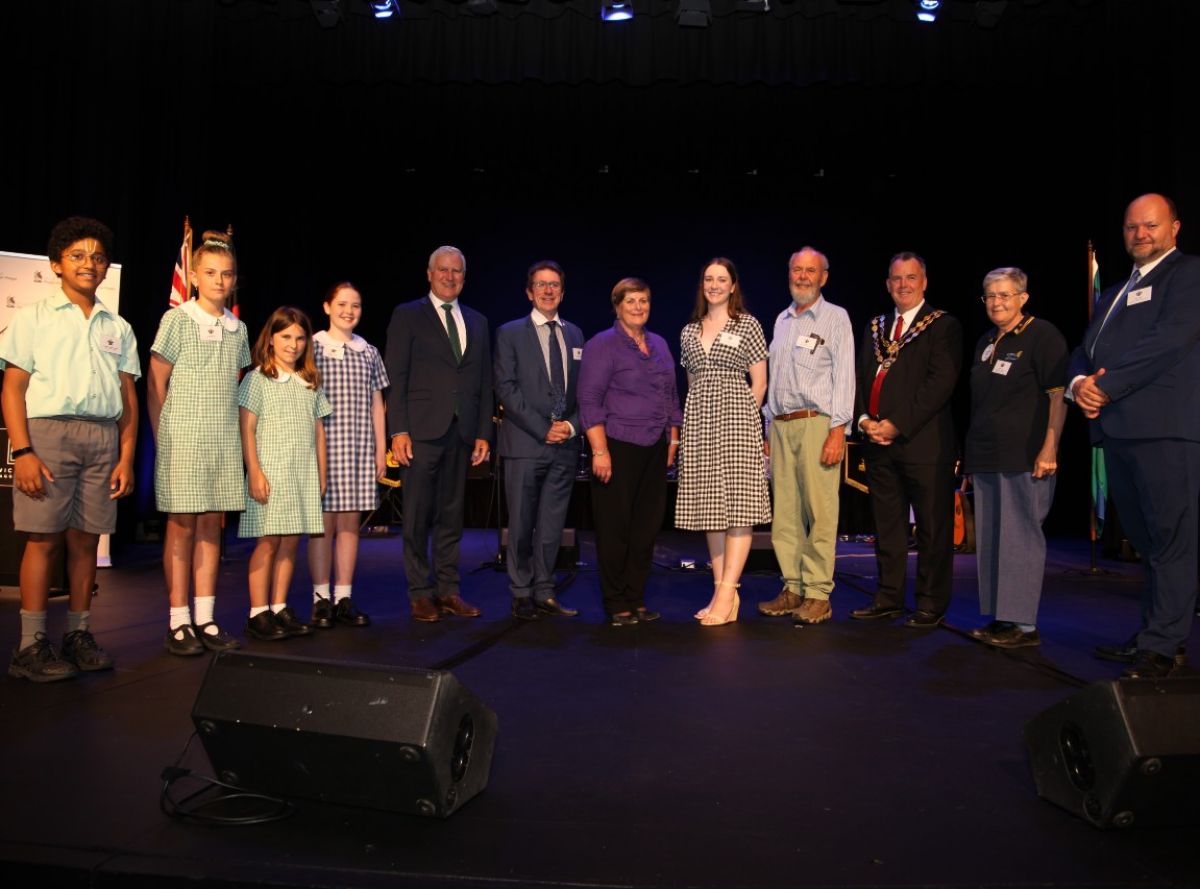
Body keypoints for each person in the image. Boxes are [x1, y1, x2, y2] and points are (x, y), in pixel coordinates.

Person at [1, 217, 139, 682]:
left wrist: (125, 455)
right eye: (77, 256)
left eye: (98, 257)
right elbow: (12, 388)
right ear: (57, 264)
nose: (89, 264)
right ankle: (30, 645)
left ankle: (78, 635)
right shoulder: (34, 318)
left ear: (106, 269)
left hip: (102, 438)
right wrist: (23, 452)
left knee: (85, 541)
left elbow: (128, 401)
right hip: (48, 434)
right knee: (42, 539)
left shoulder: (118, 326)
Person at [1069, 193, 1200, 678]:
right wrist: (1081, 383)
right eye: (1131, 227)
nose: (1140, 234)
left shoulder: (1187, 276)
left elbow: (1166, 343)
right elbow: (1085, 348)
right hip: (1120, 433)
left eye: (1150, 225)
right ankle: (1155, 632)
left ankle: (1163, 645)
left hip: (1166, 431)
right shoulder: (1115, 291)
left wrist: (1105, 385)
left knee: (1172, 540)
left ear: (1174, 228)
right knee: (1147, 541)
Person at [148, 231, 251, 656]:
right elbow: (157, 382)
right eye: (210, 273)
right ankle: (178, 620)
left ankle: (206, 617)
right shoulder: (177, 320)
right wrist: (163, 438)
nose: (219, 281)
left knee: (212, 526)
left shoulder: (238, 327)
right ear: (193, 275)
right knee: (181, 525)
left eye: (226, 274)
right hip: (183, 438)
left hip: (222, 441)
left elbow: (238, 384)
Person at [850, 252, 962, 627]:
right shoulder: (875, 326)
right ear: (887, 284)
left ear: (924, 282)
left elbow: (939, 384)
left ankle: (930, 602)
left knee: (931, 528)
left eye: (911, 278)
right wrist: (864, 418)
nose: (904, 285)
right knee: (887, 527)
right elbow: (860, 377)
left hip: (924, 444)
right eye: (896, 278)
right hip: (877, 443)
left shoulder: (942, 326)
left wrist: (897, 423)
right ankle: (888, 597)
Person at [385, 246, 493, 622]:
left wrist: (483, 433)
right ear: (429, 274)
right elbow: (395, 378)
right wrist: (397, 429)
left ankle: (448, 590)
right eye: (443, 270)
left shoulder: (477, 321)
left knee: (451, 516)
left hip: (461, 433)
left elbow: (483, 382)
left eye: (457, 271)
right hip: (420, 431)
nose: (450, 277)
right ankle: (420, 593)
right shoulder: (407, 315)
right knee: (416, 515)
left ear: (464, 277)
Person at [964, 268, 1067, 648]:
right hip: (987, 455)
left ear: (1023, 298)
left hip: (1026, 455)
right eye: (990, 296)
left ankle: (1023, 625)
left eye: (1005, 295)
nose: (996, 303)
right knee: (992, 539)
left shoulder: (1043, 335)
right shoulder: (986, 341)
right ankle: (1001, 617)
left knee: (1021, 538)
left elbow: (1059, 396)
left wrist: (1050, 447)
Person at [758, 247, 855, 626]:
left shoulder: (835, 318)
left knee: (820, 510)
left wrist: (838, 431)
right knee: (785, 514)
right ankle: (793, 586)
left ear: (824, 277)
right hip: (780, 425)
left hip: (818, 423)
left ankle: (818, 593)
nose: (802, 276)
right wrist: (768, 426)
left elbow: (844, 376)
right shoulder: (781, 320)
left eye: (809, 271)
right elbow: (775, 378)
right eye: (796, 270)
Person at [579, 278, 682, 626]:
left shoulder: (660, 344)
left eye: (644, 301)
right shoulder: (602, 345)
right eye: (631, 301)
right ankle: (615, 600)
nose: (638, 307)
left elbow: (671, 398)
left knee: (646, 528)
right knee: (614, 528)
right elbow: (589, 401)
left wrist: (673, 440)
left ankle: (636, 597)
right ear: (617, 306)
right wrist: (599, 451)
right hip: (617, 446)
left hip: (655, 447)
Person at [675, 258, 770, 626]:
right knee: (710, 509)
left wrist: (747, 418)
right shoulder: (688, 331)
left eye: (722, 279)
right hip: (700, 422)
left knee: (739, 506)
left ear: (733, 286)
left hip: (737, 422)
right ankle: (721, 592)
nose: (714, 284)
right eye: (709, 279)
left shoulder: (747, 325)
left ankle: (729, 590)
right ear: (703, 285)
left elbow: (759, 382)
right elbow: (692, 381)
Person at [494, 261, 584, 620]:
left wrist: (572, 427)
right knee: (521, 523)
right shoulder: (509, 333)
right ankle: (520, 591)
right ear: (529, 292)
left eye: (554, 285)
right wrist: (540, 427)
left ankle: (545, 590)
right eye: (541, 285)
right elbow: (506, 387)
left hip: (564, 446)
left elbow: (585, 393)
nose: (548, 290)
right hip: (525, 445)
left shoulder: (576, 335)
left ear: (562, 291)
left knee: (551, 526)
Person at [238, 307, 331, 641]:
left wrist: (321, 473)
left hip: (301, 474)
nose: (293, 345)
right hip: (271, 473)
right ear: (272, 339)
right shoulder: (258, 378)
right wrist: (255, 471)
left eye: (300, 338)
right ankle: (257, 612)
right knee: (268, 542)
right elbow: (247, 428)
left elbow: (319, 431)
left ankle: (279, 607)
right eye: (286, 337)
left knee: (291, 542)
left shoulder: (310, 382)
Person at [306, 282, 389, 629]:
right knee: (322, 527)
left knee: (350, 525)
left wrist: (380, 448)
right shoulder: (313, 348)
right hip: (323, 448)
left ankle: (343, 596)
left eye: (355, 305)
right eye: (341, 304)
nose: (348, 311)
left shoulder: (367, 351)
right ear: (327, 306)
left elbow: (376, 404)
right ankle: (320, 599)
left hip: (357, 448)